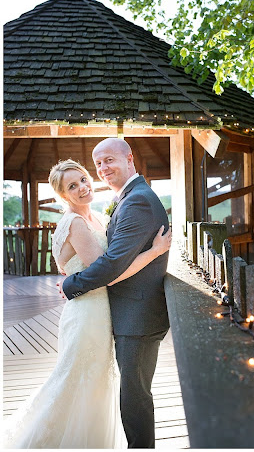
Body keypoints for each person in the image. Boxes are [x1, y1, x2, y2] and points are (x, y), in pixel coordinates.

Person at [3, 159, 171, 448]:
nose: (82, 187)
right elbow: (109, 274)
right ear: (62, 195)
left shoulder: (95, 217)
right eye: (72, 186)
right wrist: (155, 252)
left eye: (82, 179)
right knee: (76, 381)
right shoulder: (76, 223)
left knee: (93, 385)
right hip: (87, 314)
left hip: (100, 311)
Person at [59, 138, 172, 448]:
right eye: (98, 164)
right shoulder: (130, 197)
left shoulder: (137, 200)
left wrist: (72, 284)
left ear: (129, 158)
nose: (102, 168)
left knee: (134, 397)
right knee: (132, 393)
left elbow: (112, 264)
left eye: (108, 160)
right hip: (128, 312)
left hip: (138, 316)